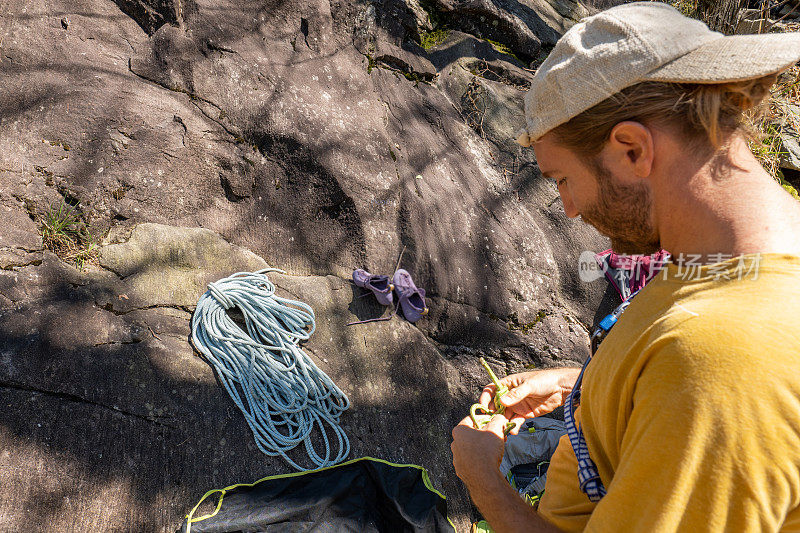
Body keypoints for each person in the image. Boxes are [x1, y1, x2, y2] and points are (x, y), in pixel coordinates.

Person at [450, 2, 800, 531]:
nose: (568, 208)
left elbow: (711, 383)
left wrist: (486, 484)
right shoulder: (724, 263)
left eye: (563, 179)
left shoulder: (723, 359)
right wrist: (590, 389)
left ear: (632, 149)